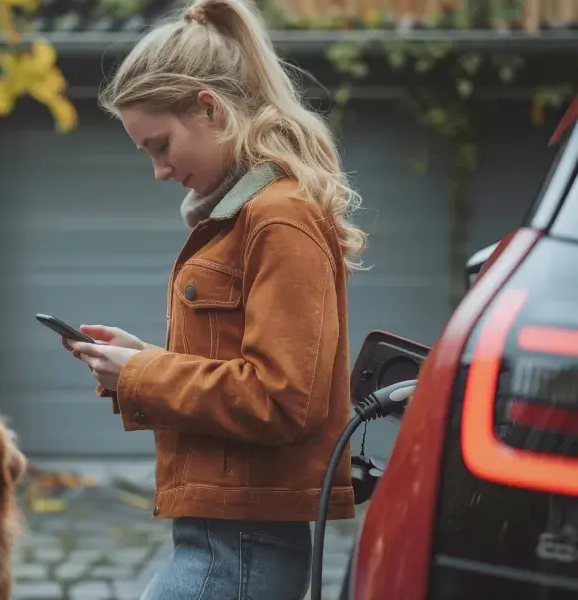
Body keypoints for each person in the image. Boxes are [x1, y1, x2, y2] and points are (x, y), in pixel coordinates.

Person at [63, 0, 366, 598]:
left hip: (243, 544)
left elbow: (282, 399)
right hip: (221, 537)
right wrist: (135, 361)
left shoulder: (278, 219)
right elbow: (238, 370)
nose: (159, 170)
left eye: (161, 145)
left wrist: (146, 372)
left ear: (210, 107)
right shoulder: (247, 218)